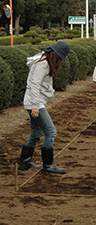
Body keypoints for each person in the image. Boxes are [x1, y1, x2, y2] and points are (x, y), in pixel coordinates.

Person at [19, 41, 70, 174]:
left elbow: (40, 83)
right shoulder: (43, 64)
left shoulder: (43, 60)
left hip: (33, 102)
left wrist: (48, 91)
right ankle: (48, 165)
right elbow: (34, 84)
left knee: (36, 133)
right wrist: (36, 106)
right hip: (34, 103)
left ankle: (25, 162)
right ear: (56, 55)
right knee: (51, 131)